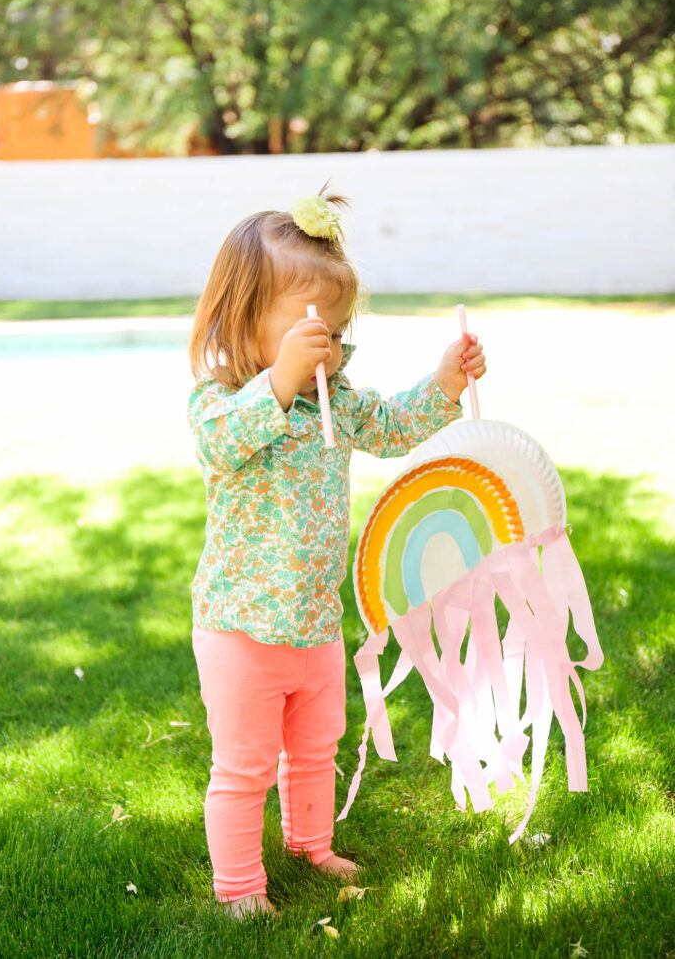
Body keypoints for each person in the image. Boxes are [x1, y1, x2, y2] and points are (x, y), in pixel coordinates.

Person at [186, 182, 486, 919]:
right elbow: (221, 446)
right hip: (241, 626)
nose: (332, 343)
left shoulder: (338, 400)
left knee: (317, 745)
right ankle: (239, 888)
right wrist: (279, 383)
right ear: (243, 315)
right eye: (314, 327)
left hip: (314, 622)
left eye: (341, 327)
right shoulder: (220, 401)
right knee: (245, 766)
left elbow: (388, 426)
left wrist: (444, 383)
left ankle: (310, 843)